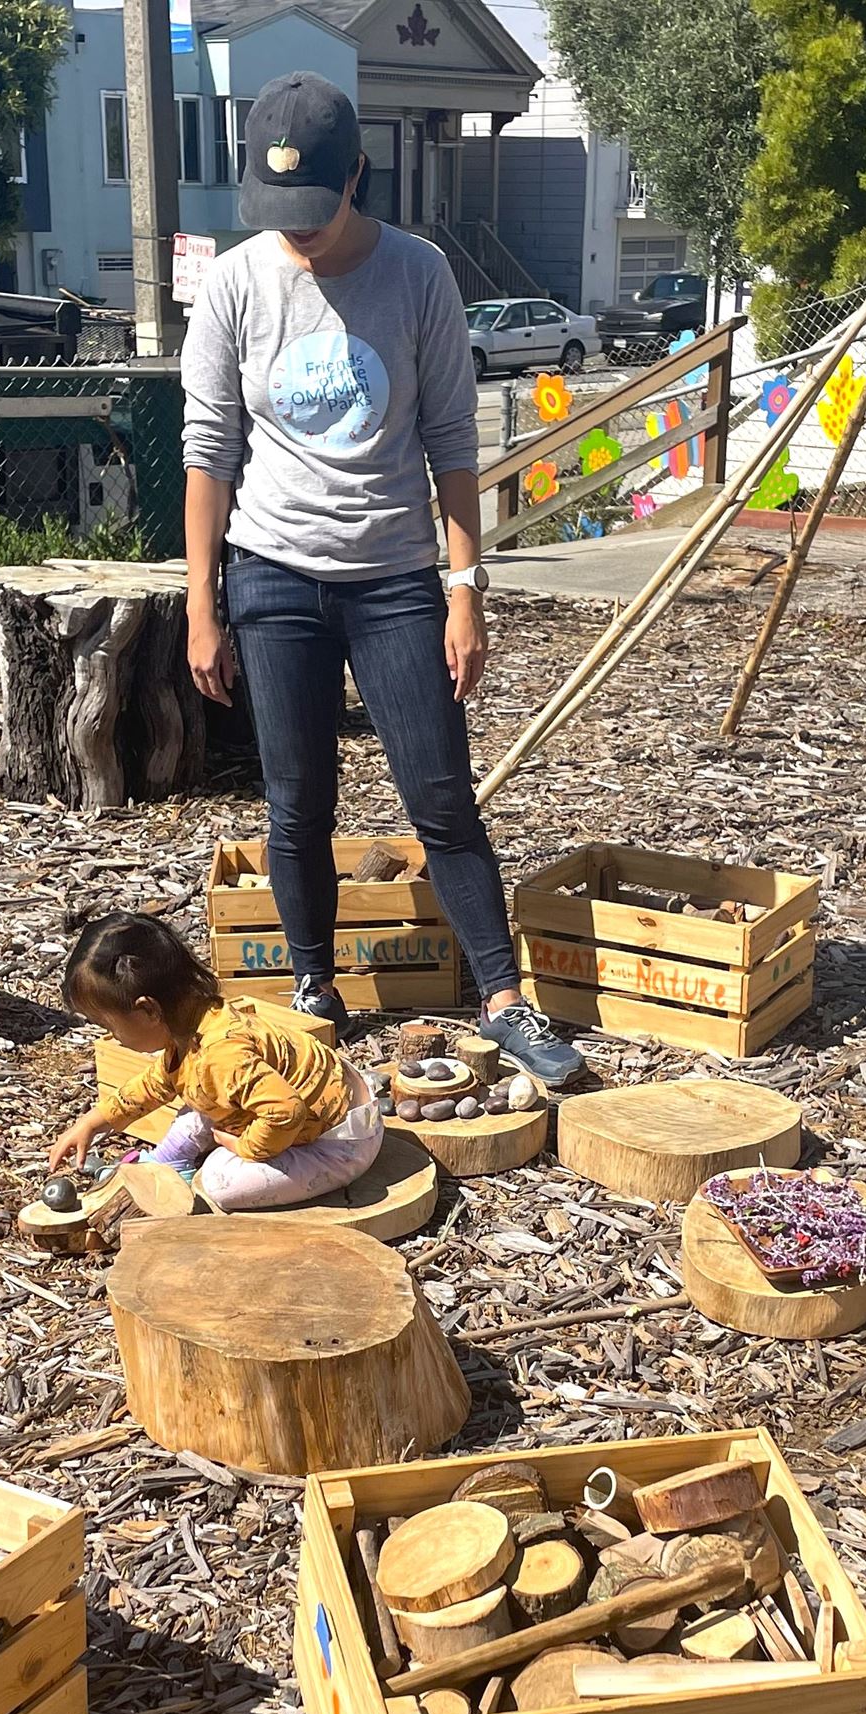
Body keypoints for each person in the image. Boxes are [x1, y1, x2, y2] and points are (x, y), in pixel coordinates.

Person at [179, 69, 584, 1086]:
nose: (297, 232)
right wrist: (202, 605)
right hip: (271, 574)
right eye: (278, 212)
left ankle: (499, 997)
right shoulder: (233, 285)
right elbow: (209, 450)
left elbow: (450, 435)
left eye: (314, 206)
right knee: (295, 803)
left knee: (440, 793)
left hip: (397, 576)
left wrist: (463, 587)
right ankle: (312, 985)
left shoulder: (416, 274)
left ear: (356, 174)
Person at [47, 913, 384, 1210]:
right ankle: (168, 1161)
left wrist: (246, 1147)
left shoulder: (221, 1057)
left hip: (341, 1143)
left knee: (219, 1181)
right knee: (200, 1098)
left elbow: (287, 1111)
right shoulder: (195, 1022)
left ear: (149, 1010)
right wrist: (93, 1121)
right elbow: (157, 1083)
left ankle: (187, 1172)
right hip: (316, 1102)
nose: (112, 1036)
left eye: (109, 1025)